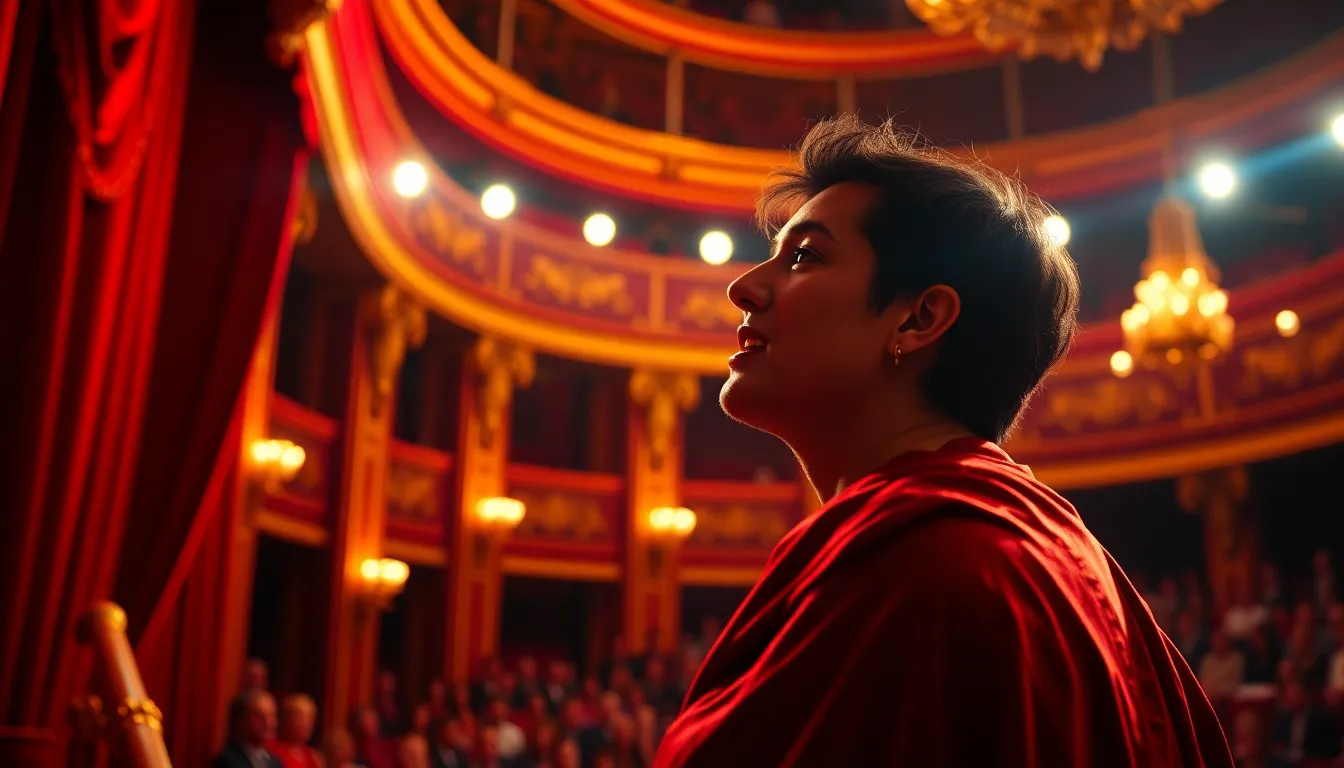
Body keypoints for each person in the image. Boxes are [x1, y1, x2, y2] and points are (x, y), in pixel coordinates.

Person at [653, 115, 1233, 767]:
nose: (744, 287)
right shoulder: (1025, 553)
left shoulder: (930, 571)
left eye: (804, 256)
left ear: (919, 317)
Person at [214, 689, 283, 768]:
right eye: (258, 716)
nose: (268, 723)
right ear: (240, 721)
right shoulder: (228, 761)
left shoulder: (274, 762)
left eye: (271, 715)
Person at [268, 694, 323, 768]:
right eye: (300, 718)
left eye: (310, 718)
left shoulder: (313, 757)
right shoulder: (269, 751)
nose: (306, 724)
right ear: (286, 718)